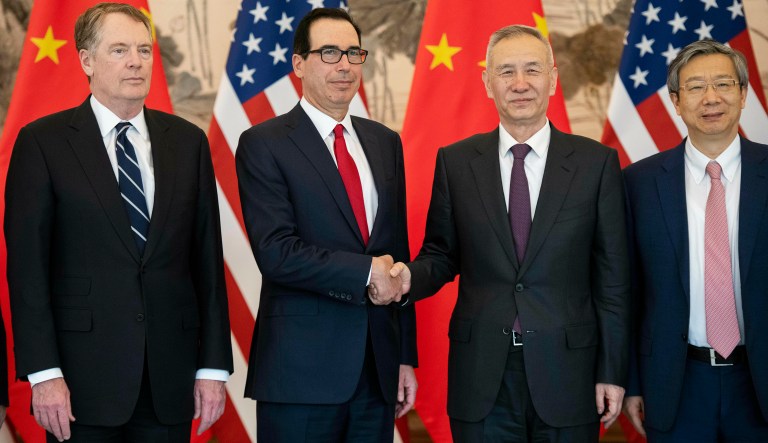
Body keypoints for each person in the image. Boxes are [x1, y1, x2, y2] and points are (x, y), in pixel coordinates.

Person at [387, 25, 630, 442]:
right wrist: (408, 277)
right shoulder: (457, 163)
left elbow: (613, 281)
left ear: (553, 78)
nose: (520, 84)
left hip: (569, 375)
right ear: (487, 83)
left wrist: (611, 371)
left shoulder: (597, 165)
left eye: (532, 70)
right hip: (481, 377)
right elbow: (442, 254)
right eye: (506, 72)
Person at [4, 3, 233, 442]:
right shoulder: (42, 143)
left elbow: (207, 262)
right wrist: (44, 375)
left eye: (144, 50)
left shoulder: (188, 143)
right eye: (120, 50)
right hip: (79, 383)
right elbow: (27, 272)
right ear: (86, 60)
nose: (136, 61)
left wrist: (212, 367)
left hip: (170, 379)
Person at [235, 7, 417, 442]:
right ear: (299, 64)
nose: (345, 65)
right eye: (329, 52)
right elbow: (277, 253)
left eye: (354, 53)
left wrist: (404, 356)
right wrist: (363, 272)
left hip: (377, 373)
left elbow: (398, 253)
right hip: (300, 375)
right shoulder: (263, 143)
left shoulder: (384, 142)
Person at [622, 39, 768, 442]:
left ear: (742, 95)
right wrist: (632, 381)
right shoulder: (638, 183)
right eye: (695, 87)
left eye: (723, 84)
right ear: (675, 100)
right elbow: (627, 291)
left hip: (760, 383)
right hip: (675, 383)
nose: (711, 98)